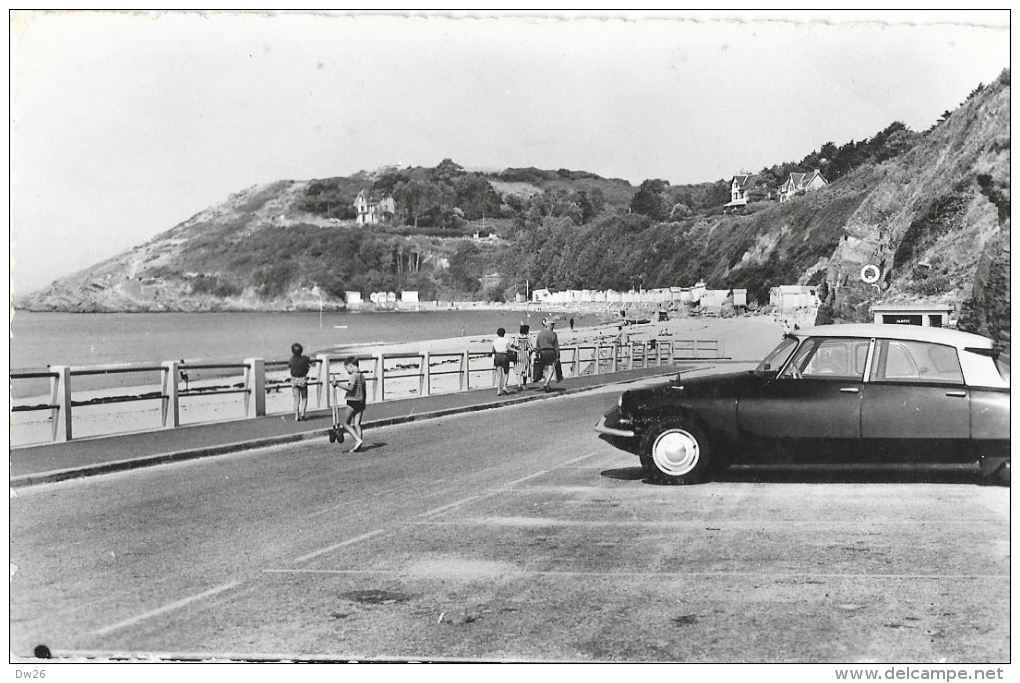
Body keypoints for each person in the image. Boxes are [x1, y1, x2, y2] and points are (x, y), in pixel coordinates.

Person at [331, 356, 366, 452]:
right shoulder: (362, 375)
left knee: (345, 423)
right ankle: (358, 445)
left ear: (351, 366)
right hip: (361, 402)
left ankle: (358, 440)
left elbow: (350, 388)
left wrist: (337, 384)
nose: (347, 371)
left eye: (347, 369)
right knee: (357, 424)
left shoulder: (354, 376)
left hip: (353, 402)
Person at [534, 318, 560, 392]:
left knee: (545, 369)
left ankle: (547, 385)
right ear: (549, 325)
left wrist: (537, 353)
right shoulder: (553, 334)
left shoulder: (540, 333)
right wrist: (558, 355)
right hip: (550, 352)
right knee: (551, 367)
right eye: (552, 325)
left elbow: (537, 345)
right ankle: (546, 383)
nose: (553, 326)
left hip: (542, 352)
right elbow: (556, 346)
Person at [288, 343, 311, 421]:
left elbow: (290, 367)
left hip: (294, 379)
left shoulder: (291, 360)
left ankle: (296, 416)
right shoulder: (305, 359)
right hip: (302, 379)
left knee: (296, 399)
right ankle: (303, 414)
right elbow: (308, 366)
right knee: (304, 397)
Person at [510, 324, 533, 391]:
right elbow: (531, 347)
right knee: (525, 370)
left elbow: (515, 345)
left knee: (518, 369)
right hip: (525, 354)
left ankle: (519, 384)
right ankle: (524, 385)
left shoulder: (517, 336)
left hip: (518, 353)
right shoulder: (527, 337)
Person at [492, 327, 512, 396]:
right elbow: (509, 348)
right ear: (504, 333)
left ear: (497, 334)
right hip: (504, 356)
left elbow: (493, 350)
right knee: (506, 372)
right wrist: (517, 350)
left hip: (497, 356)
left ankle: (498, 390)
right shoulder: (506, 341)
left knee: (499, 374)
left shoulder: (495, 341)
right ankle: (504, 386)